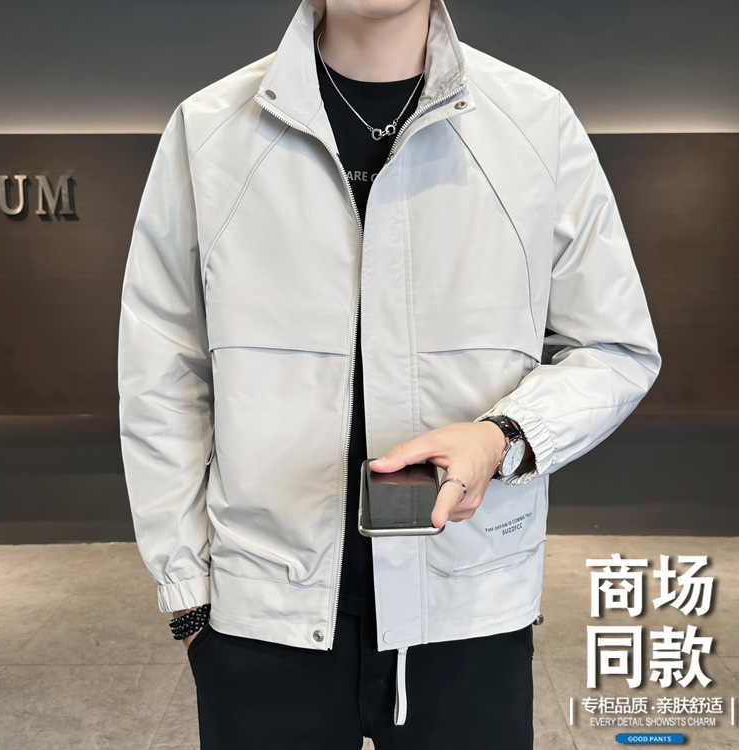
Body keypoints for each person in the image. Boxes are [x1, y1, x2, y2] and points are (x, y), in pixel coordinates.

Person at [117, 0, 661, 747]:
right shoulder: (210, 131)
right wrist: (187, 596)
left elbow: (615, 347)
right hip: (264, 615)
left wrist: (501, 438)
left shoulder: (535, 125)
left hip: (468, 605)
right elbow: (162, 375)